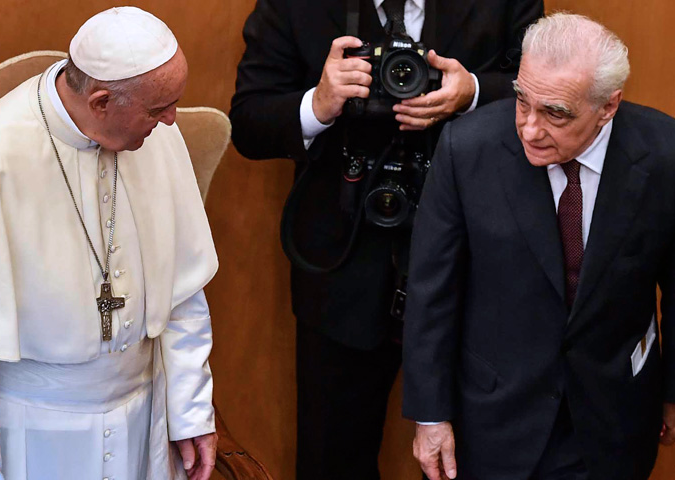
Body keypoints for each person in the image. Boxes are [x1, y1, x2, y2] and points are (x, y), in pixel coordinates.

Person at [230, 0, 542, 477]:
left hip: (476, 267)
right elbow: (248, 120)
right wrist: (317, 105)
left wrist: (473, 93)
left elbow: (547, 87)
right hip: (340, 267)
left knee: (471, 460)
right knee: (332, 456)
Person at [0, 7, 219, 480]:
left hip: (144, 430)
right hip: (30, 442)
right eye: (158, 109)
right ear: (100, 102)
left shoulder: (153, 135)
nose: (173, 120)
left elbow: (183, 293)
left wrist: (191, 411)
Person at [402, 12, 675, 480]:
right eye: (522, 101)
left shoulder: (665, 153)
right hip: (492, 421)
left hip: (614, 421)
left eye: (556, 113)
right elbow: (432, 292)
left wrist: (672, 392)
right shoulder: (466, 149)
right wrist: (430, 416)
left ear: (608, 106)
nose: (529, 128)